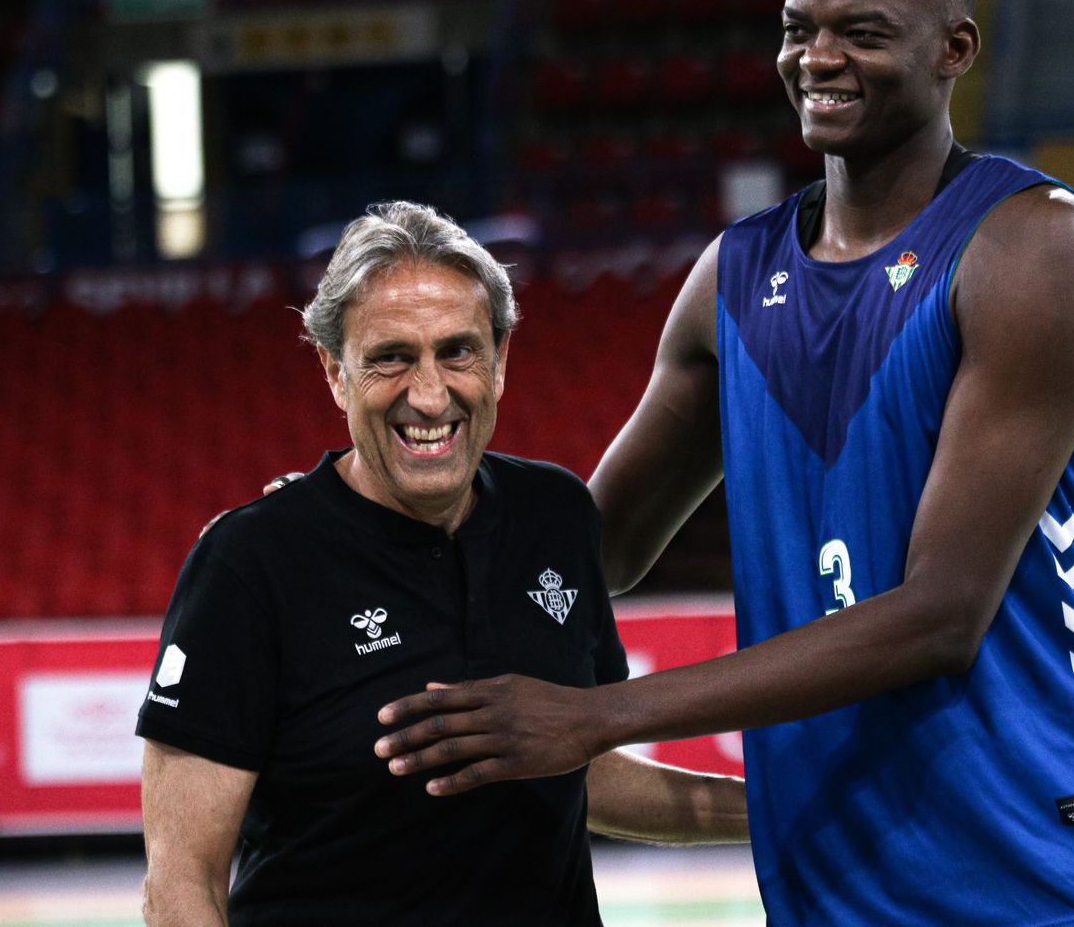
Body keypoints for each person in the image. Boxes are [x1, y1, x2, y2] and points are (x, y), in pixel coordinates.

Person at [369, 0, 1074, 927]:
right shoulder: (735, 274)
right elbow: (593, 549)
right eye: (799, 29)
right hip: (830, 884)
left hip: (1047, 875)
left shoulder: (1036, 249)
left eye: (862, 32)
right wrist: (373, 525)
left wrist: (598, 716)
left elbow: (940, 614)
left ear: (955, 50)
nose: (818, 58)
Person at [136, 201, 746, 927]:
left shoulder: (556, 514)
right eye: (391, 358)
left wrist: (775, 813)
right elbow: (180, 888)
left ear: (500, 361)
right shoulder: (249, 563)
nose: (429, 395)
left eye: (457, 352)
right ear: (335, 372)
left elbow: (584, 772)